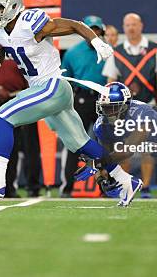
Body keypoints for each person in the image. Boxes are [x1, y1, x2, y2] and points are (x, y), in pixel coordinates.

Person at [0, 0, 141, 206]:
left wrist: (95, 40)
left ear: (12, 6)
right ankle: (125, 180)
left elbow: (74, 25)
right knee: (81, 143)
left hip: (52, 86)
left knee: (2, 117)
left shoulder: (30, 23)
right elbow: (2, 53)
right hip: (45, 90)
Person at [102, 12, 157, 198]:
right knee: (123, 148)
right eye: (127, 25)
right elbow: (111, 80)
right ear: (124, 27)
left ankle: (145, 187)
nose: (131, 28)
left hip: (148, 106)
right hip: (123, 109)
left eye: (134, 24)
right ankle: (126, 184)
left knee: (147, 149)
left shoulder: (154, 48)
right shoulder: (117, 51)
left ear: (141, 26)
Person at [59, 15, 108, 197]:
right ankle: (67, 188)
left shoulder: (107, 50)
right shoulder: (72, 52)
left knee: (106, 144)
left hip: (105, 101)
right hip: (81, 99)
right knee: (74, 143)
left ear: (101, 31)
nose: (93, 33)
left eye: (96, 29)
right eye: (90, 29)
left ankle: (107, 188)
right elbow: (65, 79)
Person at [0, 56, 41, 198]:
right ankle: (6, 187)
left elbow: (34, 81)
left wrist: (12, 93)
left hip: (24, 102)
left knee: (29, 147)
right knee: (3, 148)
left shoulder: (23, 47)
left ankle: (33, 187)